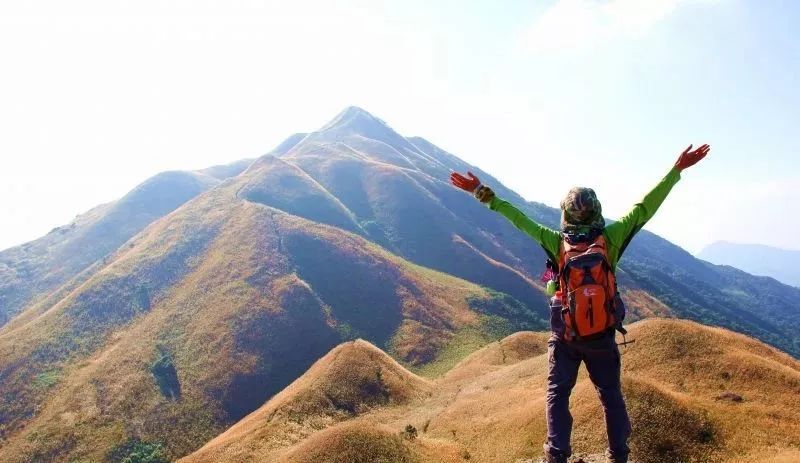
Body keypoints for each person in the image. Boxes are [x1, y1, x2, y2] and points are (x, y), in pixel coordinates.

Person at [449, 144, 710, 463]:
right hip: (601, 336)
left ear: (565, 214)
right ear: (597, 210)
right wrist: (676, 171)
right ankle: (618, 454)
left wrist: (480, 191)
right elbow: (644, 208)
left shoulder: (554, 240)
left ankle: (557, 454)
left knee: (558, 395)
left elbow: (516, 217)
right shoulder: (611, 237)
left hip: (566, 337)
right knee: (611, 396)